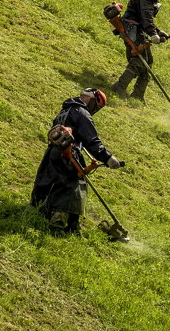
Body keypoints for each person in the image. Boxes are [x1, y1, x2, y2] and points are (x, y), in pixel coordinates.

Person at [31, 88, 124, 233]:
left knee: (52, 183)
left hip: (53, 152)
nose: (93, 110)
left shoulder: (65, 110)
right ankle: (58, 224)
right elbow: (91, 139)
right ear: (91, 100)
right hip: (68, 153)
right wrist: (108, 158)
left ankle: (48, 214)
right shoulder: (81, 112)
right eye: (95, 107)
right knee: (73, 186)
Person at [110, 0, 170, 100]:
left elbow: (146, 18)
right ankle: (119, 86)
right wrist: (153, 34)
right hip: (131, 27)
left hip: (137, 28)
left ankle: (138, 95)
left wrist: (158, 31)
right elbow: (146, 17)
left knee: (148, 61)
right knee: (139, 61)